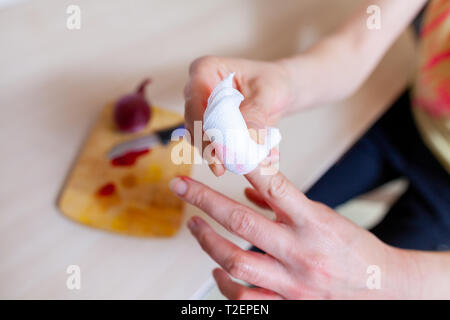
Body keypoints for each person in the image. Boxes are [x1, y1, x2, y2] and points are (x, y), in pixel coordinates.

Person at [171, 0, 450, 299]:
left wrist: (393, 277)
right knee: (263, 245)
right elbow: (358, 42)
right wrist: (284, 80)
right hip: (405, 117)